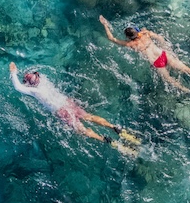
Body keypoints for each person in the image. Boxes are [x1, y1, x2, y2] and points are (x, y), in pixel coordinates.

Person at [9, 62, 140, 154]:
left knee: (82, 130)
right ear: (38, 76)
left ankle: (108, 141)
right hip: (68, 103)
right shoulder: (44, 79)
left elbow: (18, 87)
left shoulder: (34, 91)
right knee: (89, 117)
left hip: (61, 111)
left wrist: (13, 72)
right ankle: (115, 128)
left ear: (30, 85)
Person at [98, 15, 190, 96]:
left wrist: (105, 24)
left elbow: (112, 38)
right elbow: (160, 38)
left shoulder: (130, 44)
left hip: (157, 63)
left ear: (128, 37)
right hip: (164, 54)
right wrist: (166, 47)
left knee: (169, 80)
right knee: (187, 69)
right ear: (137, 31)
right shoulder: (145, 34)